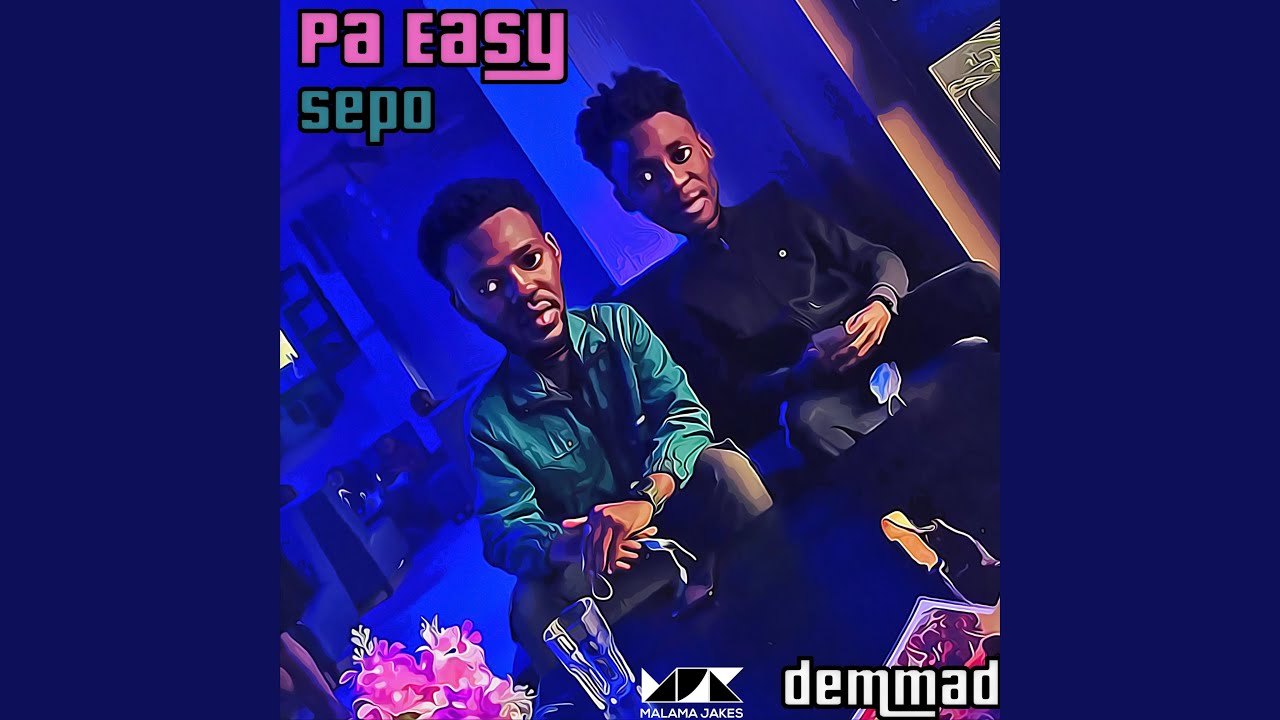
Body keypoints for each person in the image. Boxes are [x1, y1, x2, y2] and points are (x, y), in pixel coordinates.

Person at [417, 178, 773, 675]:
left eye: (529, 260)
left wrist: (647, 495)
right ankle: (620, 699)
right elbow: (503, 528)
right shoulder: (490, 419)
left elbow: (684, 414)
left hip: (680, 511)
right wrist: (565, 542)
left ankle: (792, 594)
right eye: (489, 287)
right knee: (531, 605)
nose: (522, 290)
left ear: (553, 251)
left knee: (723, 467)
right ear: (463, 305)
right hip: (602, 569)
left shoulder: (619, 327)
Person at [575, 67, 1001, 458]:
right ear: (625, 198)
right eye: (646, 177)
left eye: (681, 154)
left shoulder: (776, 208)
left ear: (704, 147)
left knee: (974, 281)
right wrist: (802, 372)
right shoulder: (681, 297)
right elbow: (736, 396)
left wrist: (882, 303)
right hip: (831, 391)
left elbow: (877, 258)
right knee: (808, 423)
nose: (676, 181)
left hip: (889, 331)